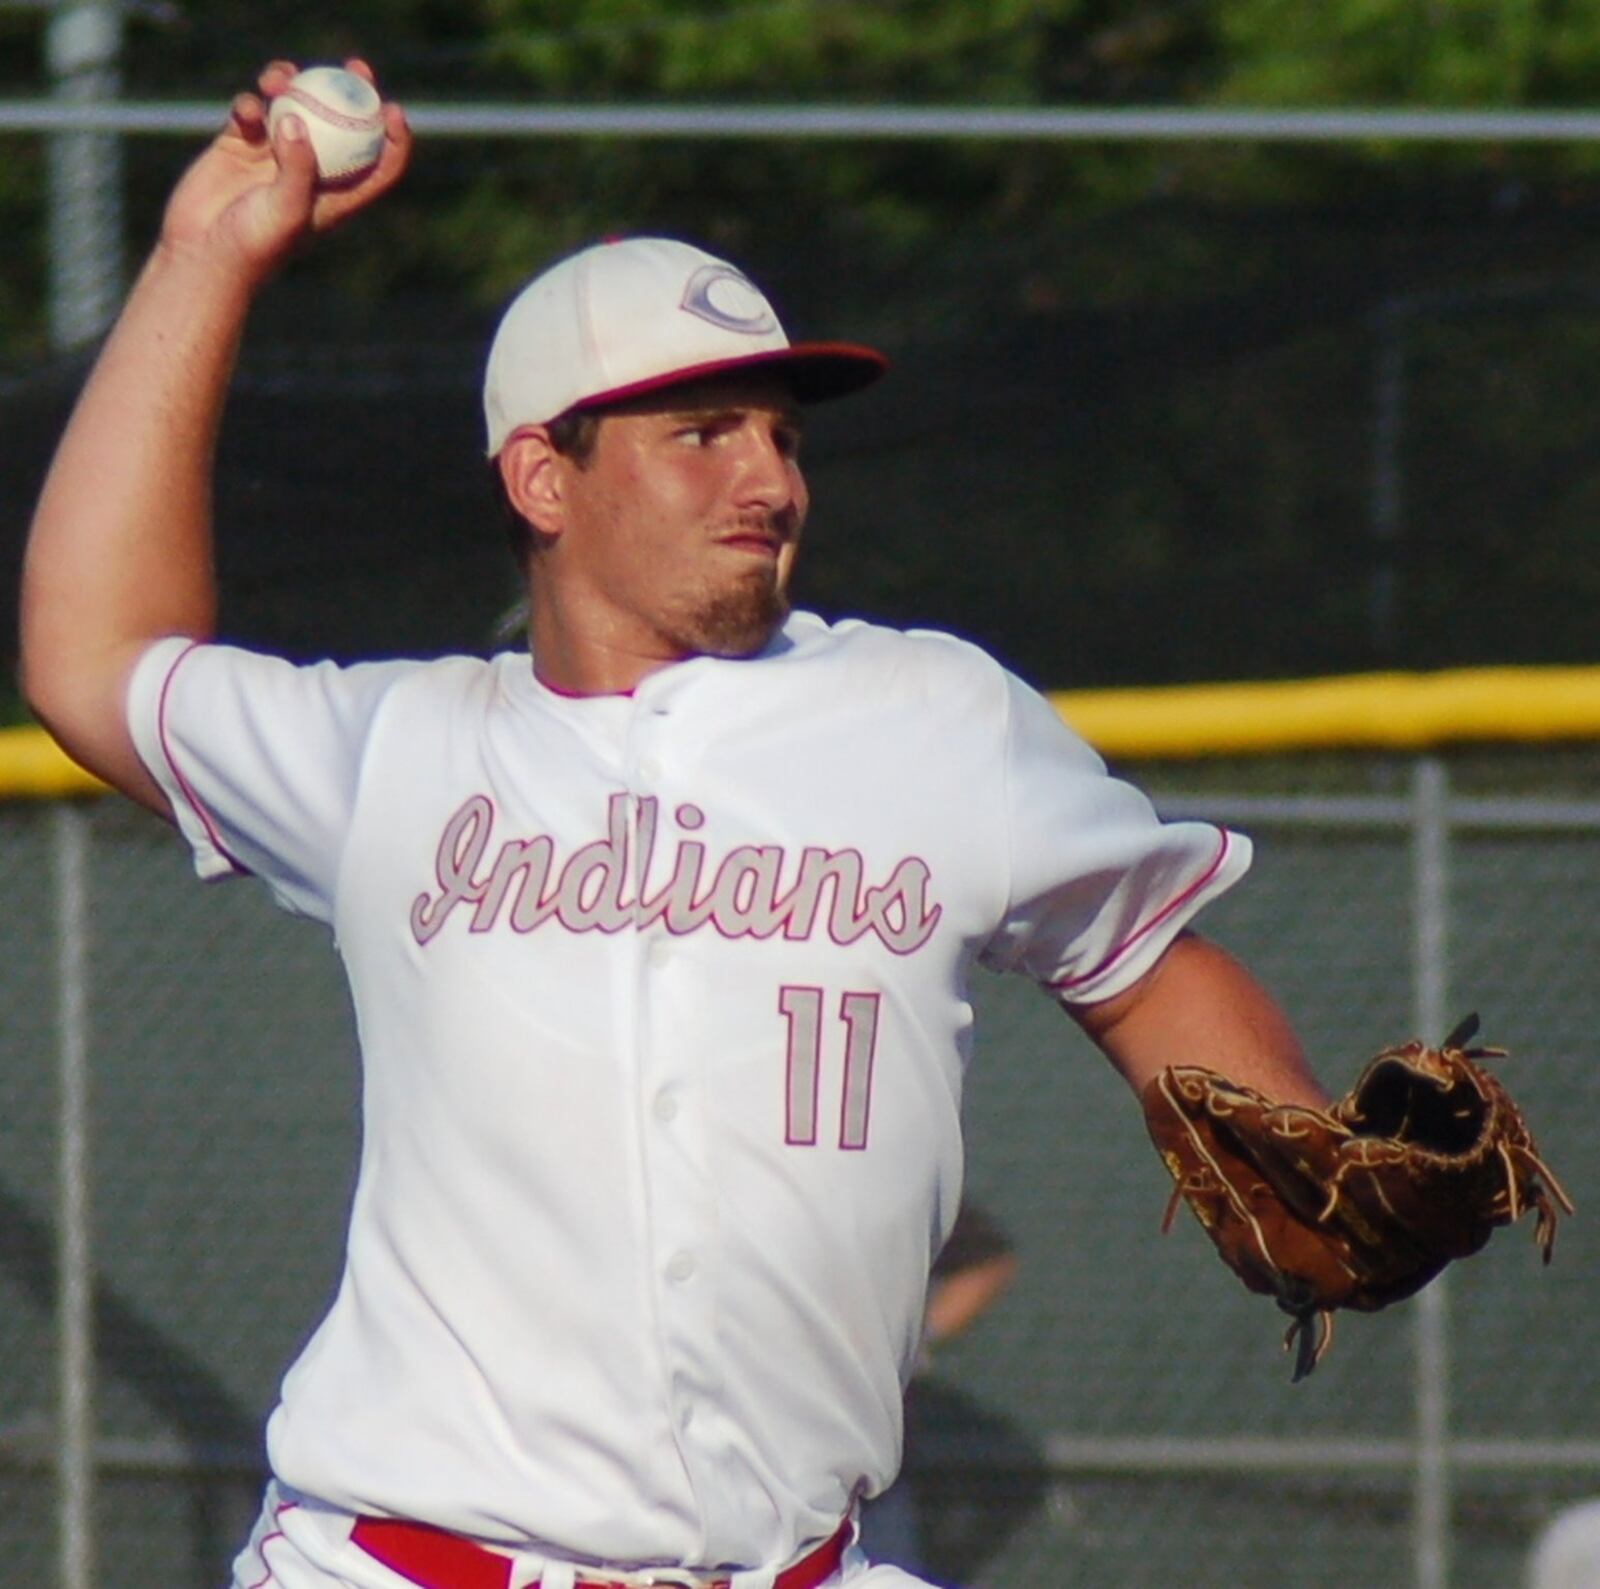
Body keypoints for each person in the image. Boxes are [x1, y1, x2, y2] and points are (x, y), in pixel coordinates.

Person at [19, 58, 1331, 1589]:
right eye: (702, 431)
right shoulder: (401, 752)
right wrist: (206, 254)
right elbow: (94, 660)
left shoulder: (933, 719)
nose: (771, 476)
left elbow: (1147, 959)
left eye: (782, 433)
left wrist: (1312, 1166)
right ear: (543, 476)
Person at [856, 1204, 1017, 1577]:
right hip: (749, 1457)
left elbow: (988, 1260)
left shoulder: (888, 1177)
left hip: (872, 1470)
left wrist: (917, 1338)